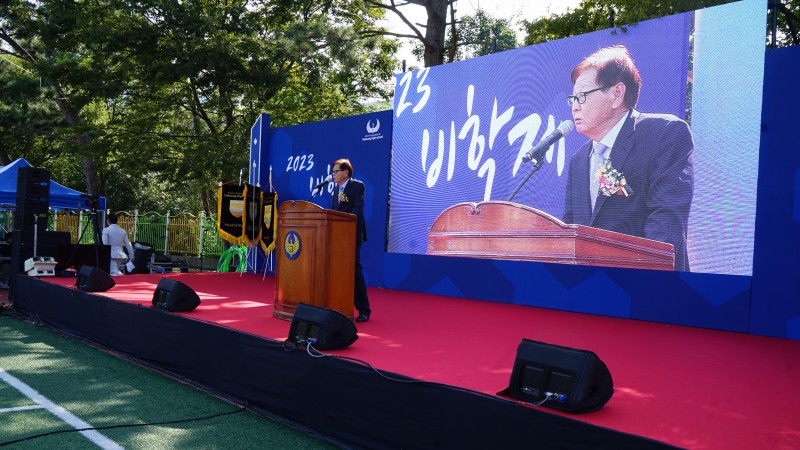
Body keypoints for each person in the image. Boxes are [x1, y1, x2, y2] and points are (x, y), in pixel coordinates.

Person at [563, 44, 694, 272]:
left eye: (582, 96)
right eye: (572, 98)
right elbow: (570, 231)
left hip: (646, 285)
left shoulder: (665, 134)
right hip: (588, 287)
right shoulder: (580, 159)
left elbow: (666, 226)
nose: (574, 107)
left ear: (617, 94)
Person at [331, 158, 371, 322]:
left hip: (351, 235)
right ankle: (340, 306)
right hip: (337, 237)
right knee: (338, 271)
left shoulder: (357, 186)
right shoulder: (336, 190)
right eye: (332, 172)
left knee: (354, 270)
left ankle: (364, 309)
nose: (333, 175)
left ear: (345, 172)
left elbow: (357, 211)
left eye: (336, 171)